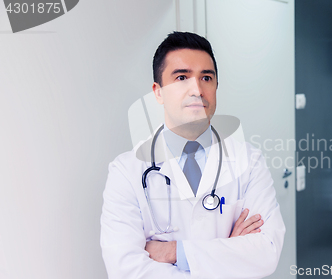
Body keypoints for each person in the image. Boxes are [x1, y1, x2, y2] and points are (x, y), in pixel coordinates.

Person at [100, 31, 286, 279]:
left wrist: (175, 252)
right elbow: (125, 269)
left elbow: (266, 252)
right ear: (158, 92)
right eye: (181, 77)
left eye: (206, 77)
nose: (196, 89)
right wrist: (230, 251)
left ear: (216, 86)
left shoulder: (249, 161)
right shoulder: (126, 171)